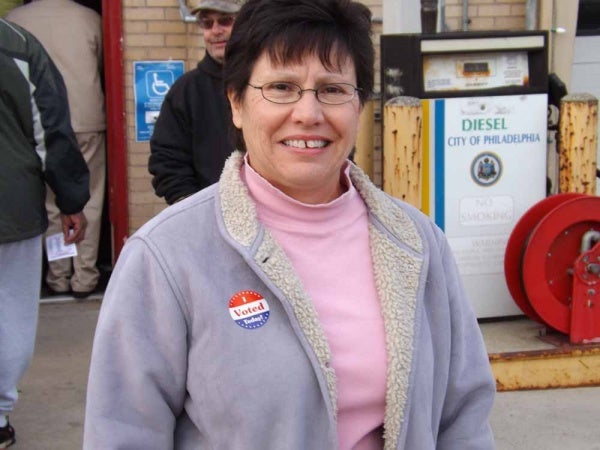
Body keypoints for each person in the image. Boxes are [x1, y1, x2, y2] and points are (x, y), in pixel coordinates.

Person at [84, 0, 496, 448]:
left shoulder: (418, 243)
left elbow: (464, 417)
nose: (308, 113)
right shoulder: (166, 257)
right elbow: (123, 432)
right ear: (237, 104)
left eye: (333, 89)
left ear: (359, 106)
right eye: (281, 86)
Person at [0, 18, 89, 448]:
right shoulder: (16, 43)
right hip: (10, 202)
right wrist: (71, 199)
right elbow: (50, 128)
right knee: (11, 313)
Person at [7, 0, 106, 298]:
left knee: (52, 205)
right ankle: (85, 276)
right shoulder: (90, 18)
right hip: (86, 116)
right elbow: (103, 61)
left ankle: (58, 274)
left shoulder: (14, 19)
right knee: (90, 199)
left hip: (35, 121)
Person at [147, 0, 241, 205]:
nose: (215, 31)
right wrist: (190, 207)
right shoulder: (186, 91)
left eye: (225, 21)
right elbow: (167, 160)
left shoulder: (269, 83)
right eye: (207, 24)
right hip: (209, 218)